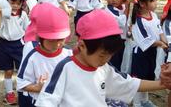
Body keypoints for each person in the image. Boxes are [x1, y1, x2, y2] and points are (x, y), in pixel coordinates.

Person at [35, 9, 167, 107]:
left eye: (110, 54)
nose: (106, 60)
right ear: (82, 46)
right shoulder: (66, 68)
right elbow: (47, 100)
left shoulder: (104, 68)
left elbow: (129, 83)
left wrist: (163, 84)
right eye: (102, 55)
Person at [16, 3, 72, 107]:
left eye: (61, 39)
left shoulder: (69, 54)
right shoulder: (33, 56)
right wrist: (38, 87)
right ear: (39, 37)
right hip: (39, 102)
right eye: (52, 40)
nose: (58, 43)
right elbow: (21, 83)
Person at [129, 0, 168, 106]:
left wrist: (164, 40)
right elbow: (145, 41)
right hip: (141, 55)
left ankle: (144, 100)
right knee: (139, 78)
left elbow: (159, 30)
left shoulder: (154, 15)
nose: (156, 3)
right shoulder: (139, 21)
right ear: (142, 4)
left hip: (151, 53)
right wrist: (161, 44)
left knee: (147, 76)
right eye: (154, 0)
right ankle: (137, 103)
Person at [0, 0, 29, 105]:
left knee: (21, 70)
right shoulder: (2, 13)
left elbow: (27, 30)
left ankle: (23, 91)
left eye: (18, 3)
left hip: (19, 44)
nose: (15, 6)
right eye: (12, 2)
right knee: (8, 71)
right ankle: (9, 93)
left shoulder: (22, 15)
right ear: (6, 0)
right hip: (4, 45)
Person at [104, 0, 129, 71]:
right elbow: (122, 22)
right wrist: (127, 9)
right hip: (113, 40)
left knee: (122, 61)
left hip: (122, 40)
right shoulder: (109, 9)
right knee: (114, 62)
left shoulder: (122, 7)